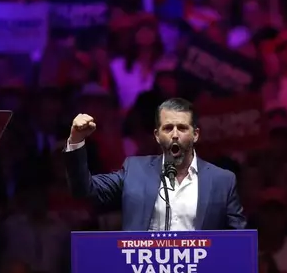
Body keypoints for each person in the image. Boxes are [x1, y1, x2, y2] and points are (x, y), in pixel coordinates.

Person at [63, 97, 247, 231]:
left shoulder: (222, 181)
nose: (175, 134)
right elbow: (83, 189)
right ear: (157, 136)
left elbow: (239, 245)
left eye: (182, 128)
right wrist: (76, 141)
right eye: (168, 128)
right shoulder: (134, 171)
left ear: (196, 134)